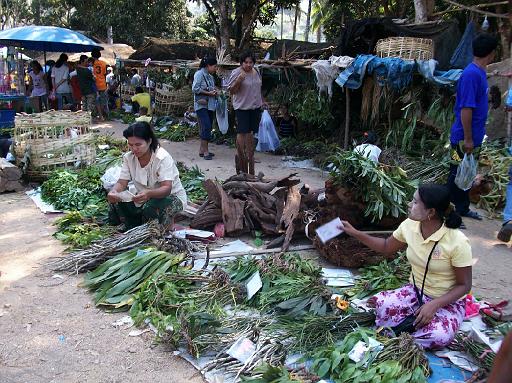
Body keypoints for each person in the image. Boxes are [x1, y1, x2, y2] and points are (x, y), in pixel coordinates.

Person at [340, 184, 472, 349]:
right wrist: (356, 233)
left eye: (415, 202)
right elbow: (386, 247)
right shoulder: (409, 225)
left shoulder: (457, 242)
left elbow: (464, 285)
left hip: (446, 302)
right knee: (382, 305)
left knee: (438, 336)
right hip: (415, 292)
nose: (409, 204)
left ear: (430, 212)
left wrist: (434, 305)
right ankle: (404, 335)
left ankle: (400, 338)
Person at [448, 34, 498, 221]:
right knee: (454, 174)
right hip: (462, 139)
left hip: (473, 137)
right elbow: (466, 109)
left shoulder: (479, 73)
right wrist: (468, 138)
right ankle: (447, 213)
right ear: (492, 54)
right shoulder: (471, 75)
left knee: (467, 173)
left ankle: (461, 208)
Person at [107, 121, 187, 230]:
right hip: (144, 197)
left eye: (138, 144)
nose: (134, 149)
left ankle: (151, 229)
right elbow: (122, 182)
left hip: (171, 197)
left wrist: (149, 193)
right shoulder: (129, 157)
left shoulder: (162, 157)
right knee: (115, 202)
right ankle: (130, 226)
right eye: (130, 145)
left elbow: (167, 188)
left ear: (149, 141)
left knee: (150, 208)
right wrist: (114, 192)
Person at [227, 51, 265, 175]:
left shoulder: (256, 71)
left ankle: (250, 154)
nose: (248, 65)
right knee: (242, 131)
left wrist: (263, 100)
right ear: (242, 63)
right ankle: (240, 154)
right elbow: (231, 91)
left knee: (251, 131)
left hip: (255, 107)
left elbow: (259, 88)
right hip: (242, 107)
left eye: (251, 62)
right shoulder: (237, 72)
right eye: (246, 62)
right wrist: (239, 80)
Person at [192, 56, 218, 160]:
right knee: (206, 126)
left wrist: (216, 92)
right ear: (208, 66)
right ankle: (206, 151)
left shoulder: (210, 77)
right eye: (215, 66)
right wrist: (208, 93)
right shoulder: (199, 74)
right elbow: (195, 88)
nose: (216, 68)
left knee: (207, 127)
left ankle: (202, 150)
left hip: (210, 105)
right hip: (201, 105)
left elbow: (212, 88)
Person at [92, 48, 108, 120]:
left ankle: (99, 115)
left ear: (92, 55)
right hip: (102, 84)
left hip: (94, 85)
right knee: (102, 101)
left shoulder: (92, 63)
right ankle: (102, 115)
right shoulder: (103, 63)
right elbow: (105, 74)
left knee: (96, 101)